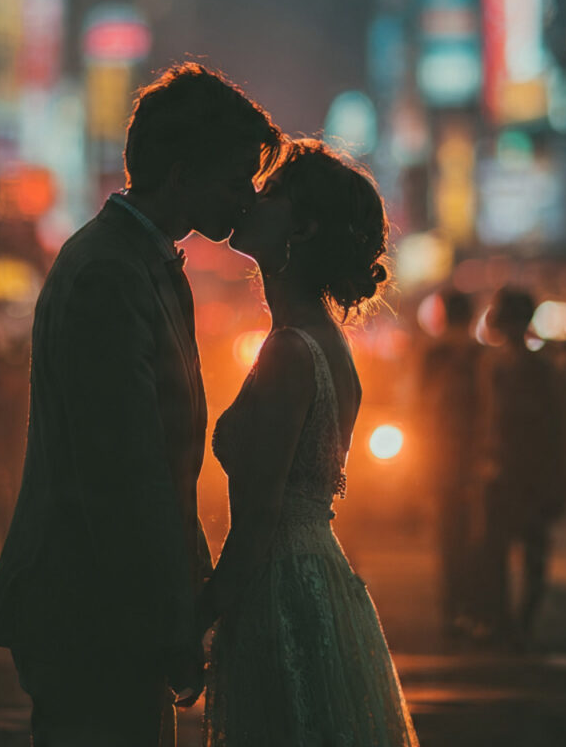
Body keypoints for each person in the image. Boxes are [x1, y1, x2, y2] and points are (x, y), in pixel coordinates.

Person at [0, 63, 282, 747]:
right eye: (235, 177)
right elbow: (122, 472)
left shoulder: (139, 262)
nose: (245, 197)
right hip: (91, 610)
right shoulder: (111, 274)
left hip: (107, 607)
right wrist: (167, 622)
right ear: (181, 173)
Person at [200, 139, 418, 747]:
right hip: (314, 580)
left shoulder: (292, 351)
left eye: (270, 193)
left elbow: (259, 520)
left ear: (304, 225)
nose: (252, 197)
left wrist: (197, 619)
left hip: (280, 592)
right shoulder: (320, 341)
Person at [475, 288, 566, 650]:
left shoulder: (536, 368)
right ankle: (512, 622)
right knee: (507, 553)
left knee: (516, 553)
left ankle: (516, 622)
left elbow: (557, 426)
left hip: (522, 472)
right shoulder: (504, 365)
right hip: (509, 471)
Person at [421, 289, 485, 641]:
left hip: (443, 459)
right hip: (474, 459)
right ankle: (471, 609)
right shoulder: (478, 355)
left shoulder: (436, 354)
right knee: (476, 539)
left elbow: (420, 409)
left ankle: (453, 609)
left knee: (449, 539)